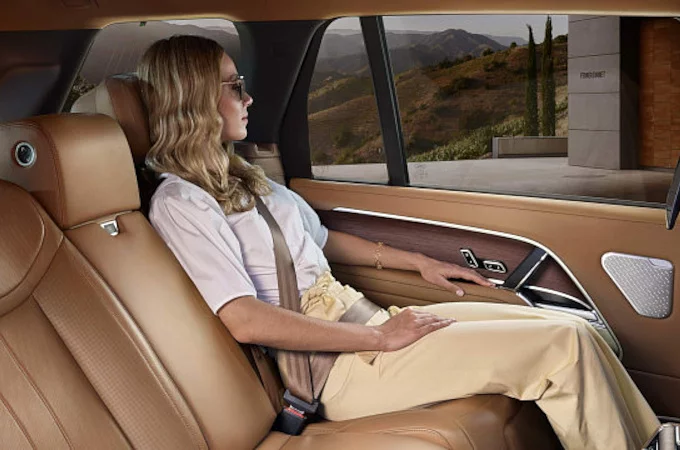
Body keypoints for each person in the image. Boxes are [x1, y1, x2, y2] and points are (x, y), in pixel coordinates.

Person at [139, 35, 660, 450]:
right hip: (332, 367)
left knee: (573, 325)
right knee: (561, 350)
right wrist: (379, 340)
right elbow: (243, 318)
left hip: (362, 320)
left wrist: (419, 263)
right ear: (193, 101)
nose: (248, 97)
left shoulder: (246, 174)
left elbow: (321, 240)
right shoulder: (181, 203)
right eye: (233, 86)